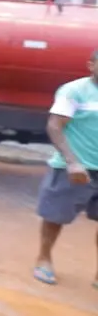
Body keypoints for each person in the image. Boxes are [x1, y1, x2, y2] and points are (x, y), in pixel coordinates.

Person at [33, 49, 98, 287]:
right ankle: (44, 259)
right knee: (55, 216)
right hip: (75, 168)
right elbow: (55, 125)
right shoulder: (74, 91)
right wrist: (72, 162)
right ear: (91, 65)